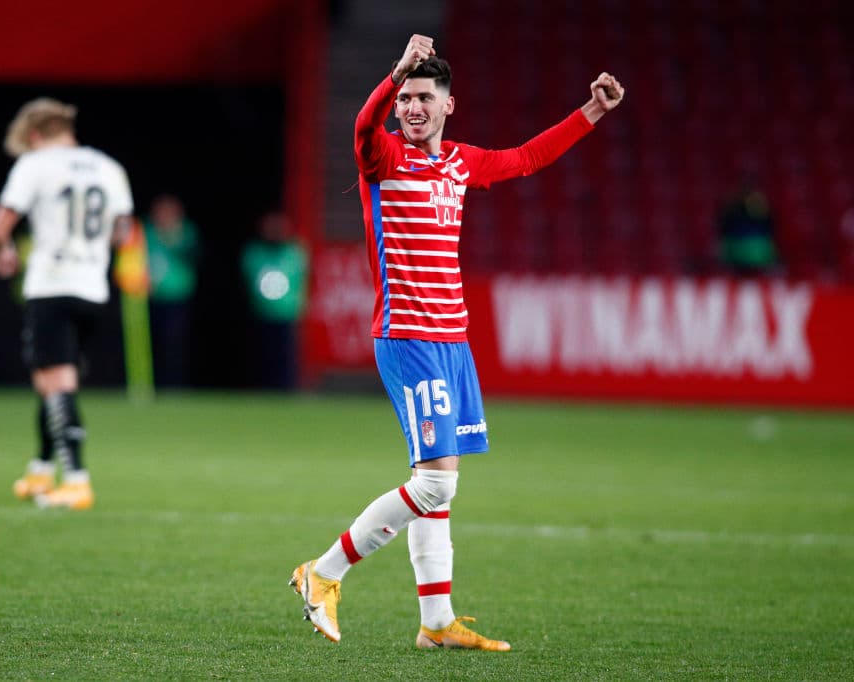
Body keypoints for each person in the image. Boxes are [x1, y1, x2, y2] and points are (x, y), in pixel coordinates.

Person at [290, 35, 624, 650]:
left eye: (424, 97)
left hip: (454, 341)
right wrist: (393, 73)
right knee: (436, 485)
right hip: (409, 337)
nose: (412, 108)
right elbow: (363, 122)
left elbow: (526, 158)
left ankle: (436, 622)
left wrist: (593, 111)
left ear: (449, 105)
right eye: (407, 98)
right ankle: (323, 572)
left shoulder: (464, 164)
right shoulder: (383, 158)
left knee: (436, 483)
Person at [0, 98, 134, 510]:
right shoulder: (108, 167)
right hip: (92, 290)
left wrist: (2, 253)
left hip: (51, 285)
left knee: (58, 384)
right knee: (50, 381)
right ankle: (41, 469)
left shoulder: (35, 165)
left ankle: (78, 481)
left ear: (34, 135)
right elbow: (122, 233)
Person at [240, 210, 308, 389]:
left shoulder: (295, 251)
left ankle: (286, 390)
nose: (275, 231)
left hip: (287, 316)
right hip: (261, 315)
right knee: (261, 358)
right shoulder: (254, 252)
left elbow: (303, 281)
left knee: (286, 359)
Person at [143, 194, 200, 387]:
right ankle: (152, 386)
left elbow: (193, 255)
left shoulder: (186, 233)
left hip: (177, 299)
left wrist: (172, 237)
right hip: (150, 298)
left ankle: (175, 386)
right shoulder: (146, 232)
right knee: (150, 345)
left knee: (175, 346)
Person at [717, 180, 780, 277]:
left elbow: (769, 228)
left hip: (758, 255)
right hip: (738, 255)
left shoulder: (761, 213)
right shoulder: (732, 213)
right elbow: (724, 231)